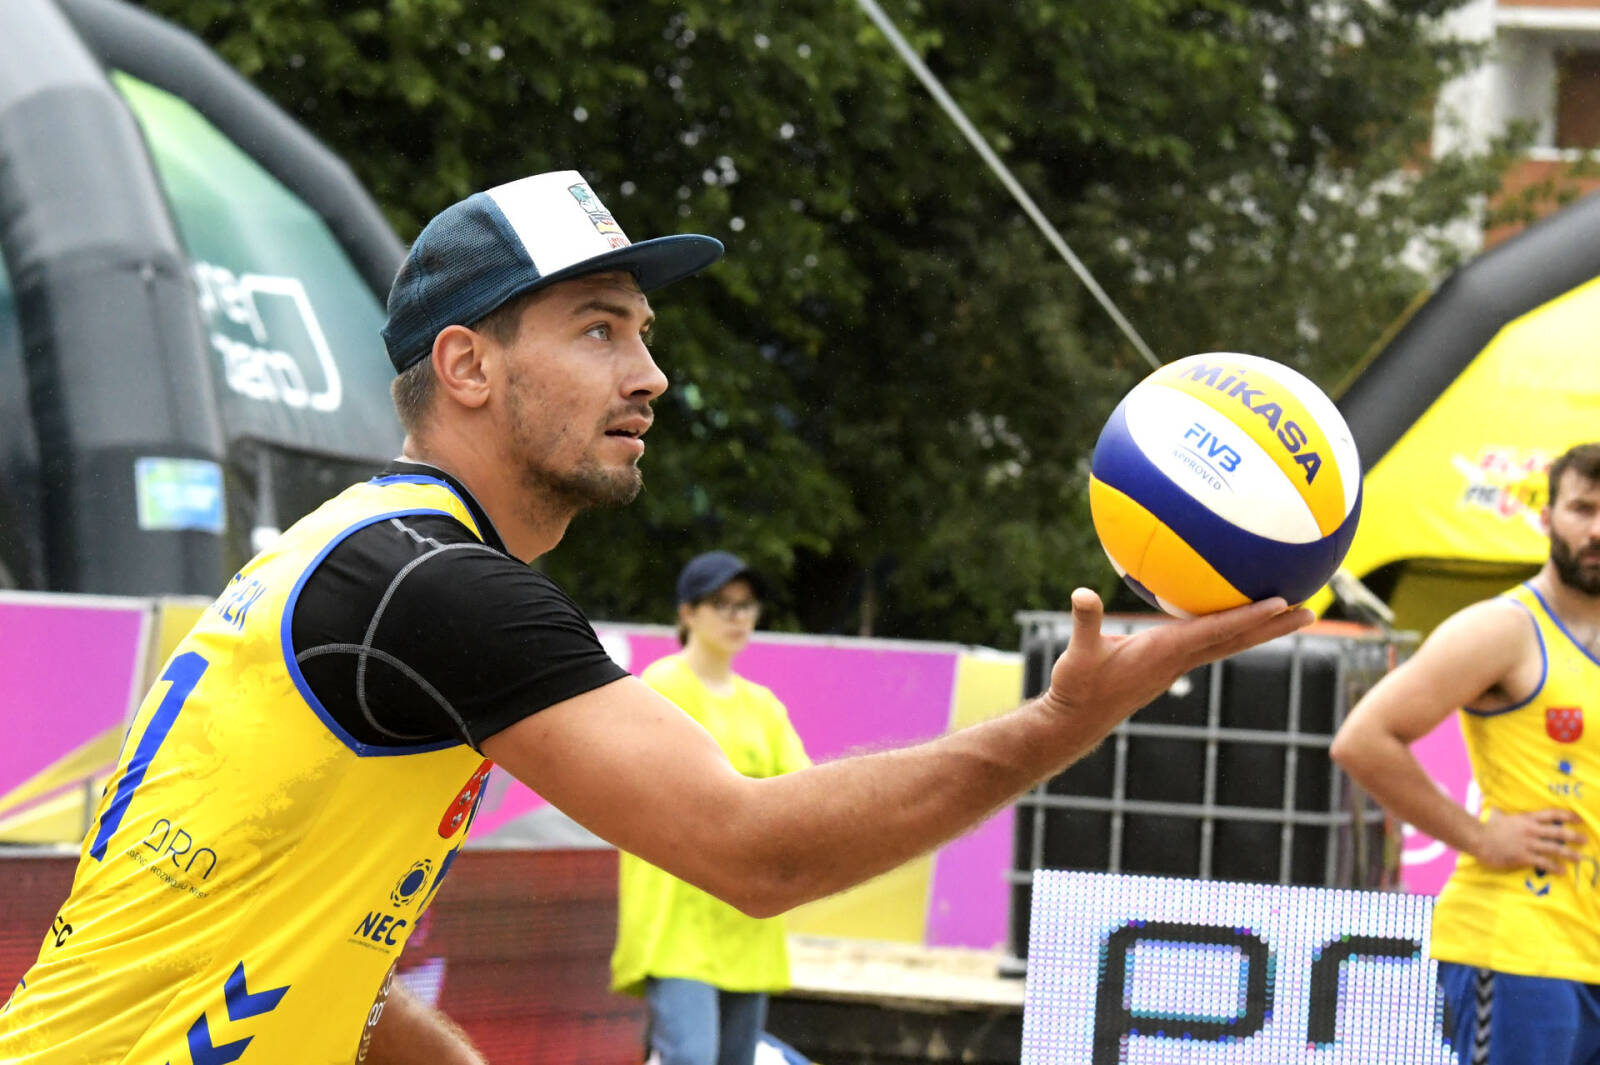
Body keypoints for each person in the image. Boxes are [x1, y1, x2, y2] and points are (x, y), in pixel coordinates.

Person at [0, 170, 1310, 1065]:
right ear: (467, 364)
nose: (652, 373)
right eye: (599, 330)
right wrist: (1060, 721)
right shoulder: (435, 587)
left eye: (640, 332)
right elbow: (756, 852)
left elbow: (329, 957)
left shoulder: (358, 557)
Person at [1331, 442, 1600, 1065]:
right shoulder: (1504, 629)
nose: (1597, 530)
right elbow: (1363, 739)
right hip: (1520, 948)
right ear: (1546, 518)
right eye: (1583, 509)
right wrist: (1480, 838)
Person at [611, 551, 809, 1065]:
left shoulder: (763, 705)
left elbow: (801, 795)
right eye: (722, 603)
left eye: (747, 604)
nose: (738, 616)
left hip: (747, 918)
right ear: (687, 613)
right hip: (677, 921)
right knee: (692, 1058)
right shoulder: (662, 686)